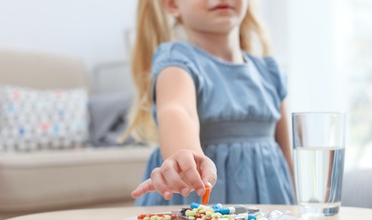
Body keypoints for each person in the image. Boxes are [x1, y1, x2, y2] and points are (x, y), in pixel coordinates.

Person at [124, 0, 295, 206]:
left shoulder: (270, 73)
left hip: (268, 214)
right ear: (172, 5)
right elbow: (177, 110)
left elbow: (288, 155)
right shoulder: (177, 62)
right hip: (193, 210)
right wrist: (184, 153)